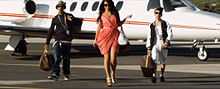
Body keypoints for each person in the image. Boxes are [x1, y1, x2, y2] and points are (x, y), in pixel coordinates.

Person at [94, 0, 122, 87]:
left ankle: (113, 72)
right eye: (105, 5)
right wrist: (95, 39)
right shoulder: (101, 15)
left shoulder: (115, 13)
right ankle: (108, 77)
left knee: (113, 59)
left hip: (114, 35)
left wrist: (124, 20)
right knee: (106, 57)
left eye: (108, 5)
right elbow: (99, 27)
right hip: (104, 37)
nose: (107, 6)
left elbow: (118, 24)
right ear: (103, 5)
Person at [44, 0, 75, 81]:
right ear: (57, 8)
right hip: (58, 41)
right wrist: (47, 43)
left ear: (64, 8)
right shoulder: (55, 18)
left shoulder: (69, 16)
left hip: (67, 42)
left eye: (62, 6)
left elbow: (75, 25)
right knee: (57, 58)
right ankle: (55, 74)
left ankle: (66, 74)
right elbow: (51, 30)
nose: (60, 8)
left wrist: (71, 21)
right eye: (59, 6)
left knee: (66, 59)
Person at [146, 7, 173, 83]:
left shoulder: (165, 23)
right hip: (155, 44)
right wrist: (148, 47)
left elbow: (170, 33)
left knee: (163, 61)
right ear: (154, 14)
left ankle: (161, 75)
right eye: (156, 13)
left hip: (163, 44)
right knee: (154, 60)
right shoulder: (151, 25)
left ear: (161, 14)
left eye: (159, 13)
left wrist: (167, 41)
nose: (157, 14)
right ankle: (154, 75)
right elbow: (149, 36)